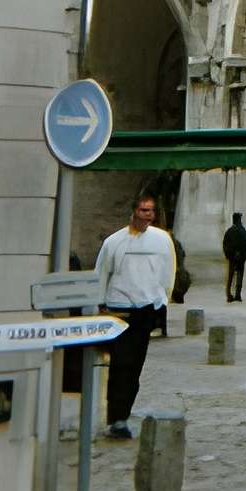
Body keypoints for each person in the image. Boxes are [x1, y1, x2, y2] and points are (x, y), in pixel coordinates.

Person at [94, 188, 176, 439]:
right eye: (143, 210)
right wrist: (99, 303)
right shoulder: (114, 242)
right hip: (119, 310)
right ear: (134, 212)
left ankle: (122, 415)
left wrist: (162, 301)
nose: (147, 215)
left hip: (145, 311)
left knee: (134, 368)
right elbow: (101, 274)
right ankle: (116, 418)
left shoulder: (162, 240)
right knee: (121, 365)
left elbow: (167, 272)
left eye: (150, 211)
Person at [222, 211, 246, 303]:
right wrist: (243, 256)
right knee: (239, 275)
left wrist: (228, 255)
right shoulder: (243, 230)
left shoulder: (230, 231)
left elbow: (225, 244)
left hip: (232, 257)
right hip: (241, 258)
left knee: (230, 276)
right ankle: (238, 294)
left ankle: (229, 295)